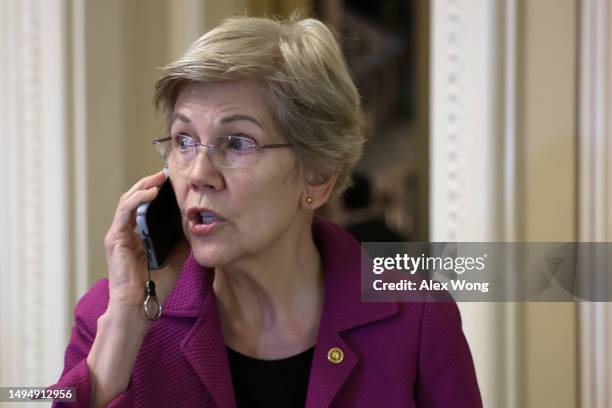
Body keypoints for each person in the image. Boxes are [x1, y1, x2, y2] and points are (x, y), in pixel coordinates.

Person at [49, 16, 482, 407]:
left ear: (318, 175)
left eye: (237, 142)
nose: (198, 173)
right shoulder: (110, 312)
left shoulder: (418, 319)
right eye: (183, 140)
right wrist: (124, 325)